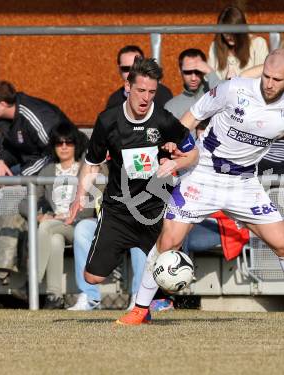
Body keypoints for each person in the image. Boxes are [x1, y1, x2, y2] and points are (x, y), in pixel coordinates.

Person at [117, 49, 284, 326]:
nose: (268, 83)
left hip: (243, 183)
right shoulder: (233, 89)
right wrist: (172, 146)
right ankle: (140, 309)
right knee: (169, 241)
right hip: (203, 174)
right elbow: (193, 116)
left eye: (276, 79)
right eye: (266, 76)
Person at [66, 57, 198, 301]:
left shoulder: (163, 120)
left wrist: (175, 162)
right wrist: (79, 198)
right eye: (140, 90)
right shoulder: (107, 121)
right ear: (128, 87)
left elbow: (193, 153)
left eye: (151, 92)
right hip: (118, 210)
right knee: (92, 277)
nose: (146, 98)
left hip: (154, 210)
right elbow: (93, 164)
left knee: (168, 281)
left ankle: (151, 303)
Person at [18, 122, 90, 309]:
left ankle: (31, 283)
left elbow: (96, 200)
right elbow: (25, 202)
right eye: (59, 143)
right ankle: (54, 297)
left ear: (76, 145)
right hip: (57, 225)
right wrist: (39, 216)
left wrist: (71, 214)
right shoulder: (48, 171)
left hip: (81, 225)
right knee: (55, 238)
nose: (64, 147)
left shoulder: (87, 168)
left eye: (69, 142)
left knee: (47, 228)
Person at [0, 80, 74, 176]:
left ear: (3, 105)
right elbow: (13, 147)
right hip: (30, 162)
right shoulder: (3, 119)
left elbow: (55, 154)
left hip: (63, 167)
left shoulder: (36, 117)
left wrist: (21, 177)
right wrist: (1, 161)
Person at [208, 6, 269, 80]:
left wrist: (240, 78)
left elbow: (263, 74)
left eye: (232, 33)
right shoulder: (215, 46)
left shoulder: (258, 44)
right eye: (225, 32)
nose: (229, 37)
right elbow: (210, 80)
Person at [105, 45, 173, 110]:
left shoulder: (162, 94)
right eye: (126, 68)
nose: (131, 72)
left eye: (135, 67)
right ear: (119, 70)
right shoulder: (114, 100)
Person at [165, 48, 219, 124]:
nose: (193, 78)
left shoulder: (215, 91)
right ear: (180, 71)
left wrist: (210, 72)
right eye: (188, 72)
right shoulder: (171, 107)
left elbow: (229, 99)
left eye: (198, 71)